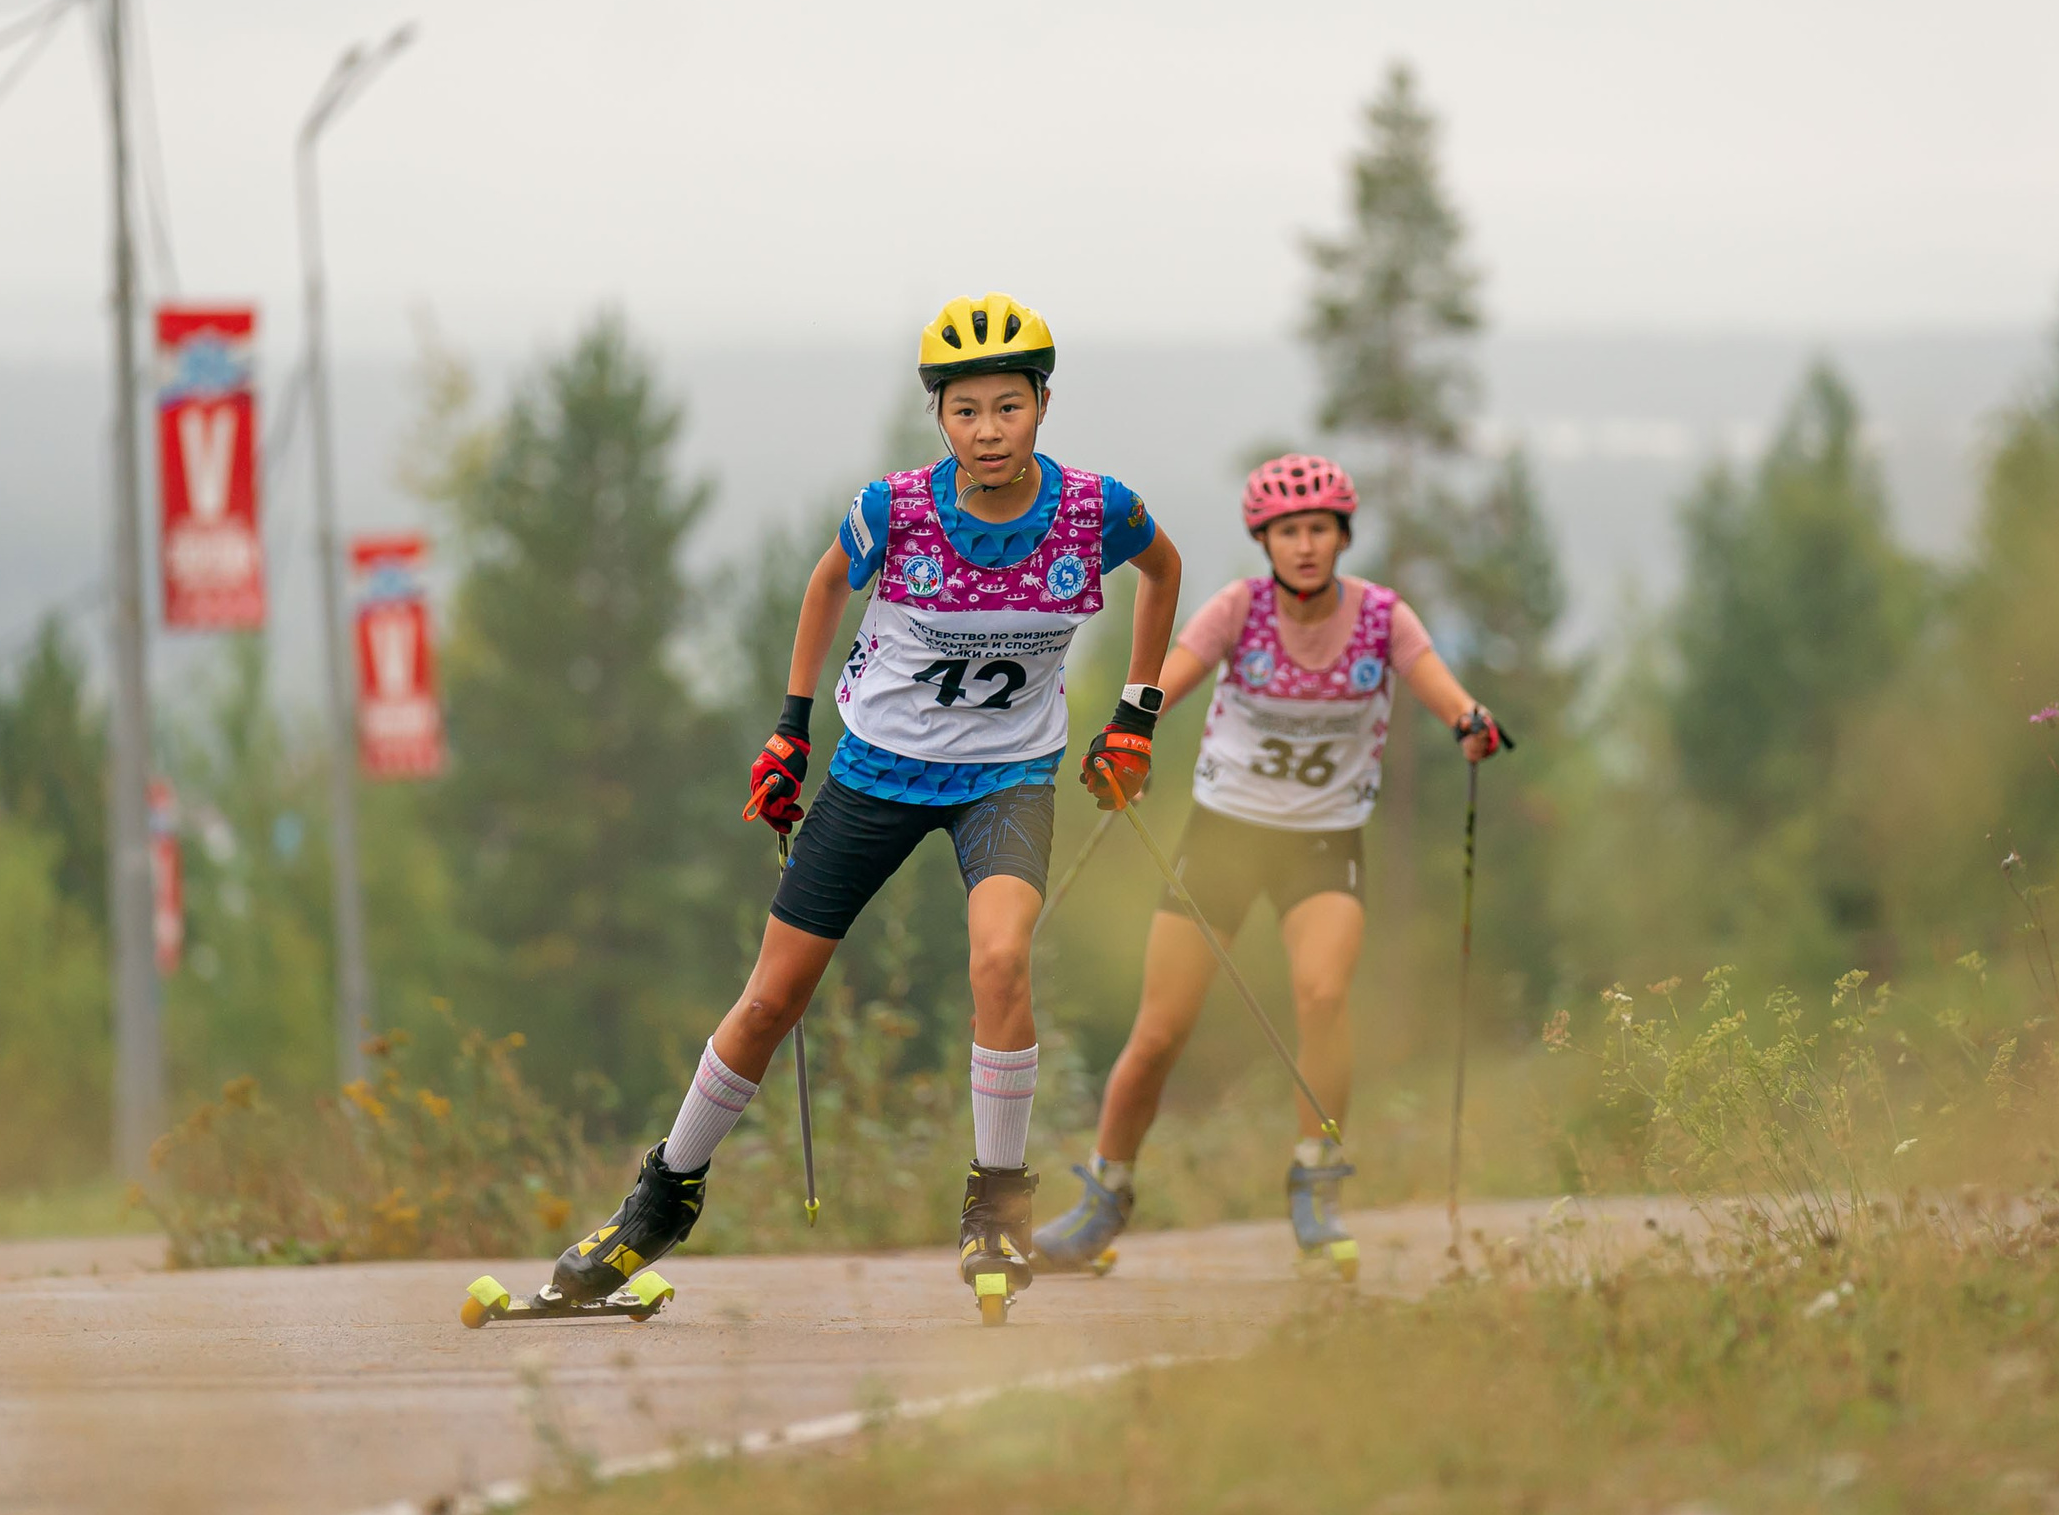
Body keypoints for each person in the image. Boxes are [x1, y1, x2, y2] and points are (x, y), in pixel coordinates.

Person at [546, 293, 1181, 1321]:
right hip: (877, 771)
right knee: (771, 999)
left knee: (1002, 958)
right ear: (940, 417)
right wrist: (791, 730)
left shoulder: (1094, 510)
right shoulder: (897, 508)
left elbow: (1163, 570)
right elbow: (826, 585)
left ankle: (997, 1206)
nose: (987, 431)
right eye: (965, 410)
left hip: (1007, 778)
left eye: (1008, 408)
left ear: (1042, 406)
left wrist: (1136, 716)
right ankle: (659, 1201)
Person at [1033, 454, 1506, 1278]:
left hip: (1324, 843)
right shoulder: (1239, 610)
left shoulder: (1381, 618)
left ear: (1342, 536)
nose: (1306, 545)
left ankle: (1316, 1187)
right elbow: (1164, 680)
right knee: (1160, 1029)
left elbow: (1438, 683)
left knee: (1323, 995)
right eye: (1288, 531)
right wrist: (1124, 733)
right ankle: (1104, 1196)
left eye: (1320, 528)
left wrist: (1469, 719)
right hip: (1225, 835)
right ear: (1266, 541)